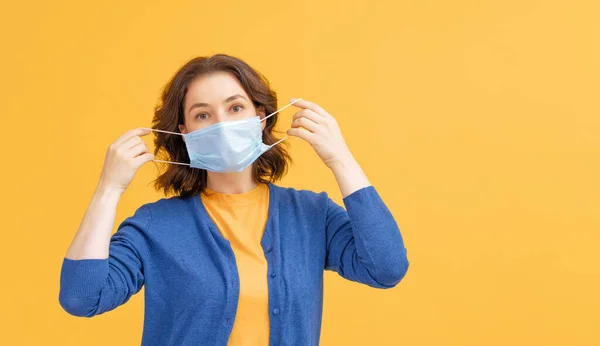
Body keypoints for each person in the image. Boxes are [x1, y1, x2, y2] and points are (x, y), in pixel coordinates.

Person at [58, 54, 409, 346]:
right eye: (203, 115)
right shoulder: (155, 226)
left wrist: (341, 159)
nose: (222, 124)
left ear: (260, 118)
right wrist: (108, 189)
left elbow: (386, 268)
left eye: (235, 108)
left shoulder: (312, 215)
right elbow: (81, 297)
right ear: (184, 133)